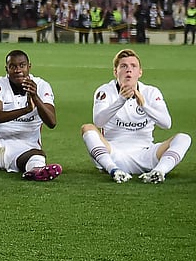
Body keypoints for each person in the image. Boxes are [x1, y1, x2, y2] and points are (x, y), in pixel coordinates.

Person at [81, 49, 190, 183]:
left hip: (146, 154)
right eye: (123, 66)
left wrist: (144, 105)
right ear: (115, 72)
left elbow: (166, 124)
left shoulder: (151, 92)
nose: (129, 70)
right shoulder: (105, 91)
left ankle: (158, 172)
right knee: (87, 128)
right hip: (114, 153)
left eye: (133, 66)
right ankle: (113, 170)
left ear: (140, 72)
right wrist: (120, 100)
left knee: (184, 138)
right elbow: (98, 122)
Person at [0, 50, 61, 181]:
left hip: (27, 147)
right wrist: (25, 110)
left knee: (38, 155)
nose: (18, 70)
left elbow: (52, 122)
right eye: (13, 66)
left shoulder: (42, 86)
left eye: (22, 65)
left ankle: (35, 171)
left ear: (29, 66)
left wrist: (35, 96)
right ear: (7, 69)